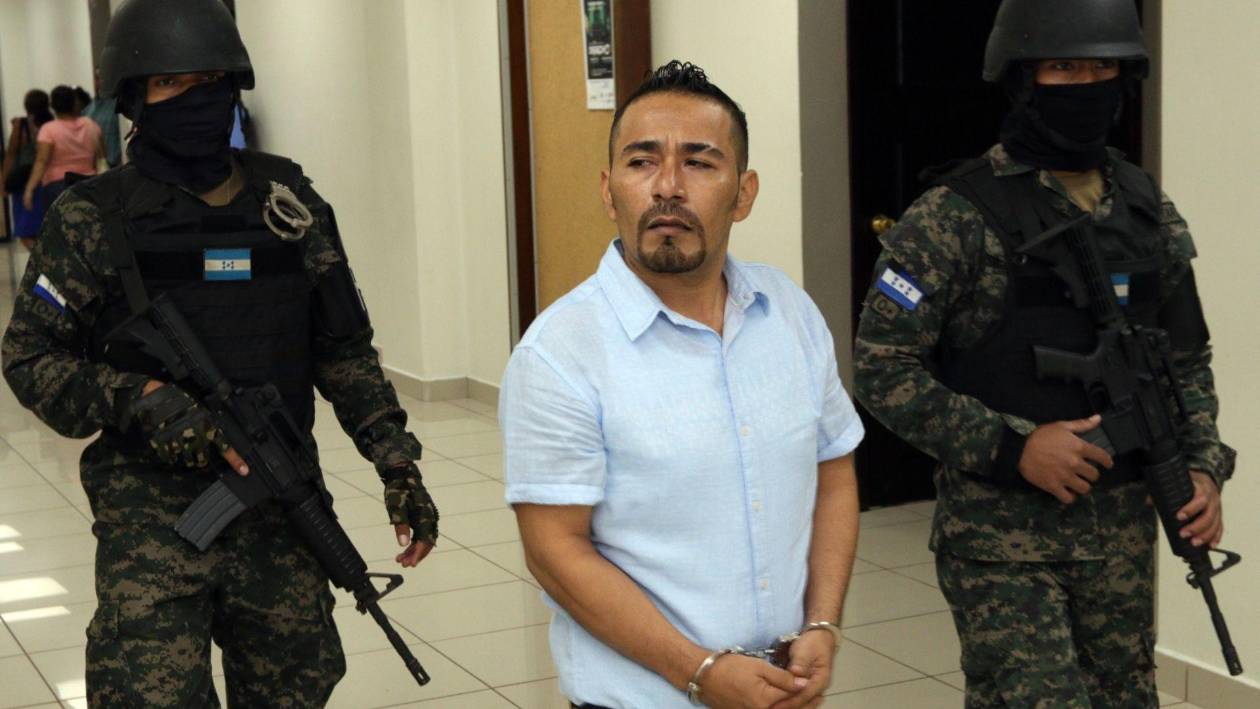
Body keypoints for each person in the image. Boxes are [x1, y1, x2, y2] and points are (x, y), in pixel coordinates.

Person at [0, 0, 439, 705]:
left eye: (209, 80)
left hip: (280, 503)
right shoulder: (92, 218)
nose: (194, 98)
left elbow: (344, 351)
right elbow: (29, 358)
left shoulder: (287, 203)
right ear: (135, 98)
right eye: (170, 83)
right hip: (152, 519)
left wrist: (397, 464)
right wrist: (141, 400)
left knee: (297, 686)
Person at [852, 0, 1234, 705]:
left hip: (1120, 539)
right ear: (1024, 79)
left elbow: (1185, 360)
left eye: (1101, 67)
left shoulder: (1145, 208)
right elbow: (881, 367)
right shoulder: (953, 216)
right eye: (1064, 67)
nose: (1086, 83)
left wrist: (1203, 468)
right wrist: (1012, 448)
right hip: (1003, 542)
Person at [501, 60, 865, 709]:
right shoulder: (559, 353)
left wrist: (821, 622)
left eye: (699, 162)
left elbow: (833, 472)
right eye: (642, 162)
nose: (668, 186)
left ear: (744, 194)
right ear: (609, 190)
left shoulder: (789, 311)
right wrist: (700, 671)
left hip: (784, 688)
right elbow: (555, 551)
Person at [22, 84, 105, 215]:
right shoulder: (90, 124)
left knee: (59, 225)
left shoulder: (49, 130)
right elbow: (101, 156)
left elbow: (41, 160)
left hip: (58, 187)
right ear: (74, 103)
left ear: (53, 106)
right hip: (89, 184)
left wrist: (30, 188)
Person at [1, 90, 54, 247]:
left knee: (25, 231)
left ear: (26, 105)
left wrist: (3, 180)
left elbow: (11, 154)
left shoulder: (21, 125)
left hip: (23, 182)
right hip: (46, 180)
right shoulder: (51, 124)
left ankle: (41, 259)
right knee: (45, 227)